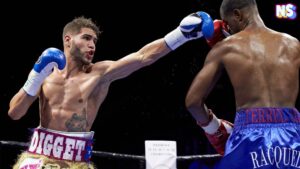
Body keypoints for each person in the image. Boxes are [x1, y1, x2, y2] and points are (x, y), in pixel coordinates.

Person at [8, 11, 215, 169]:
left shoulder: (100, 74)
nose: (92, 46)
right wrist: (36, 76)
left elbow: (143, 57)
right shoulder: (46, 73)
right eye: (86, 38)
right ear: (68, 40)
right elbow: (15, 113)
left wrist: (181, 34)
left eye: (95, 41)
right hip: (37, 159)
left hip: (74, 163)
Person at [185, 0, 300, 168]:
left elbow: (192, 102)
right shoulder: (294, 44)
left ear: (237, 15)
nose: (227, 29)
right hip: (293, 137)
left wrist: (214, 129)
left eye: (226, 23)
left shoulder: (225, 48)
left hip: (249, 137)